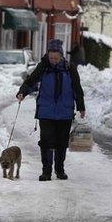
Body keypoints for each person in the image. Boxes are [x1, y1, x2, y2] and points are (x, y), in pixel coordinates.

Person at [16, 39, 86, 181]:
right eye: (51, 57)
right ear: (47, 55)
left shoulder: (69, 68)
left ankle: (59, 169)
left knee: (62, 142)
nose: (53, 60)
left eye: (56, 58)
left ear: (61, 56)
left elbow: (77, 88)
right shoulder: (43, 67)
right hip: (46, 111)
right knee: (46, 141)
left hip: (65, 111)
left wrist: (81, 106)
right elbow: (31, 82)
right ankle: (46, 171)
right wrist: (22, 92)